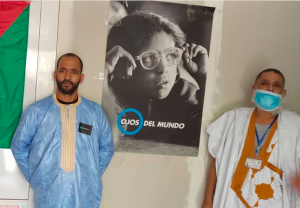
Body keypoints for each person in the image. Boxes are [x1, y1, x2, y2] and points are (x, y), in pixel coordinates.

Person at [11, 53, 114, 208]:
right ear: (55, 74)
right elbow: (18, 147)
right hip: (48, 197)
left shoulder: (94, 112)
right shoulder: (37, 111)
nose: (67, 76)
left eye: (74, 72)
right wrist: (36, 177)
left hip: (86, 197)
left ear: (81, 77)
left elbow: (107, 148)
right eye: (63, 70)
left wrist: (90, 175)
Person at [105, 11, 208, 147]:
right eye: (150, 57)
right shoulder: (113, 94)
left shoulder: (184, 91)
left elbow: (205, 134)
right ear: (125, 63)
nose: (164, 68)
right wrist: (105, 69)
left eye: (171, 55)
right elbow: (105, 138)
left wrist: (204, 76)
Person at [202, 68, 300, 208]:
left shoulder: (295, 125)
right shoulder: (233, 119)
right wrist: (207, 200)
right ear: (254, 88)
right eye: (264, 83)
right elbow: (216, 164)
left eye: (276, 85)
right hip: (230, 201)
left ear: (283, 93)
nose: (270, 88)